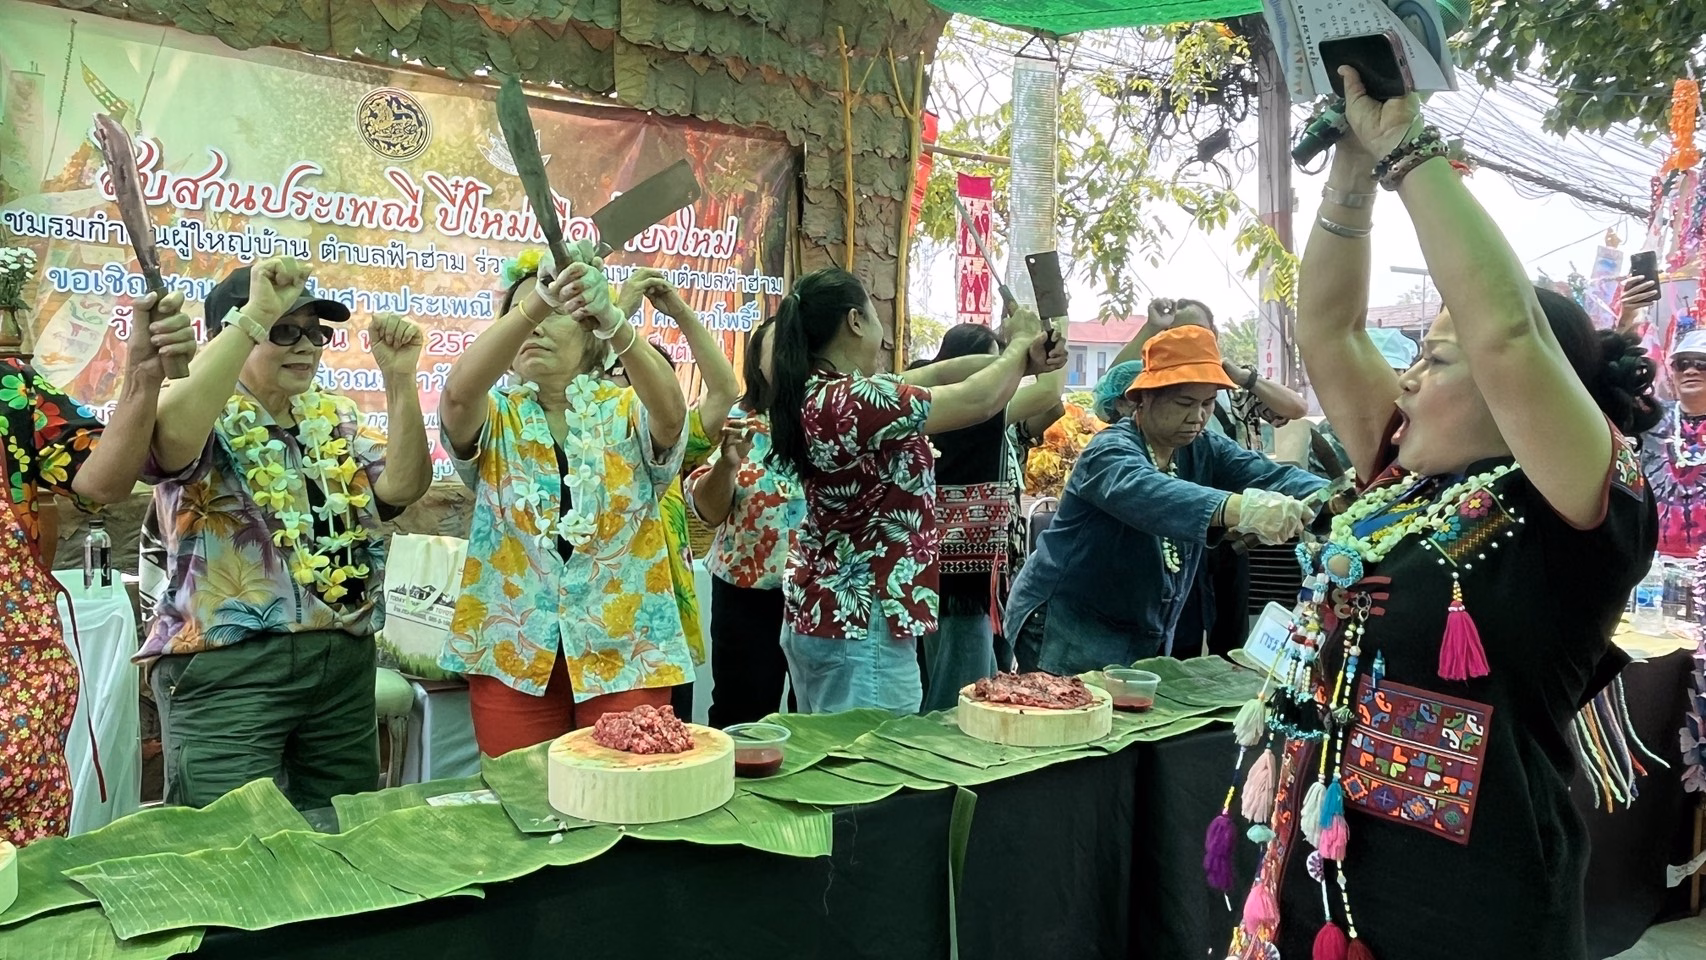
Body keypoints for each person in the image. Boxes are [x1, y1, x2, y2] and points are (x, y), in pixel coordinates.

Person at [1247, 66, 1660, 960]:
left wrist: (1408, 150)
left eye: (1435, 359)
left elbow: (1507, 333)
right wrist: (1351, 168)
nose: (1405, 380)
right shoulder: (1402, 482)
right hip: (1326, 887)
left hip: (1470, 914)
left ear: (1526, 394)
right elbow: (1329, 331)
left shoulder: (1581, 503)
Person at [141, 259, 432, 810]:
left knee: (343, 832)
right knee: (233, 840)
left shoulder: (334, 418)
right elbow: (167, 439)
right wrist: (256, 313)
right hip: (233, 668)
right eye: (283, 331)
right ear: (235, 331)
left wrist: (399, 379)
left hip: (342, 664)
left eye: (315, 333)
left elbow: (403, 486)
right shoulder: (202, 410)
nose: (306, 346)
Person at [766, 268, 1066, 714]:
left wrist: (1024, 358)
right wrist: (1019, 342)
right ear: (854, 321)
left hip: (837, 615)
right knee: (874, 753)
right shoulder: (852, 400)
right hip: (864, 622)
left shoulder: (828, 393)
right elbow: (978, 400)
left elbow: (942, 373)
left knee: (837, 749)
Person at [438, 246, 690, 757]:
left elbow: (671, 411)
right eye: (522, 314)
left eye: (555, 313)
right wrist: (537, 302)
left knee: (624, 791)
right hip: (511, 651)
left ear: (590, 332)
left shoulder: (626, 407)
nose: (534, 325)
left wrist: (614, 320)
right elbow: (459, 395)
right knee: (521, 793)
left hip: (627, 649)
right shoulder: (495, 414)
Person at [1005, 325, 1324, 674]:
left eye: (1207, 403)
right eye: (1185, 403)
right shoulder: (1109, 450)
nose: (1198, 417)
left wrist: (1336, 496)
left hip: (1139, 627)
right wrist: (1241, 508)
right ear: (1144, 399)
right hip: (1066, 625)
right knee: (1071, 706)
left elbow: (1271, 475)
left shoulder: (1204, 448)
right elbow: (1148, 491)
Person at [0, 289, 195, 844]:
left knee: (18, 867)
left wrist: (142, 378)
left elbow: (102, 481)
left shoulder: (10, 390)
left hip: (12, 679)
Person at [915, 322, 1069, 711]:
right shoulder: (973, 414)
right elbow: (1050, 391)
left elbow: (1053, 405)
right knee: (961, 693)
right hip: (962, 578)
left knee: (975, 677)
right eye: (992, 362)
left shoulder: (944, 411)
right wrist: (1051, 321)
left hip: (975, 572)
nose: (1002, 371)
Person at [608, 268, 737, 722]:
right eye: (628, 372)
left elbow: (724, 391)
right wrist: (617, 313)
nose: (644, 387)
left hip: (665, 631)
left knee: (671, 748)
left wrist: (680, 312)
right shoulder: (584, 431)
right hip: (604, 628)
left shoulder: (672, 441)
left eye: (660, 377)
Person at [686, 318, 805, 726]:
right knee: (741, 715)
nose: (794, 354)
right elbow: (708, 512)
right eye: (782, 344)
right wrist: (727, 466)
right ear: (757, 359)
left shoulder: (835, 420)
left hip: (819, 594)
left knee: (816, 715)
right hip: (745, 593)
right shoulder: (733, 418)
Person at [1640, 330, 1706, 559]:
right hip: (1653, 559)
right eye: (1682, 364)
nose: (1690, 371)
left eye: (1702, 363)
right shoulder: (1649, 417)